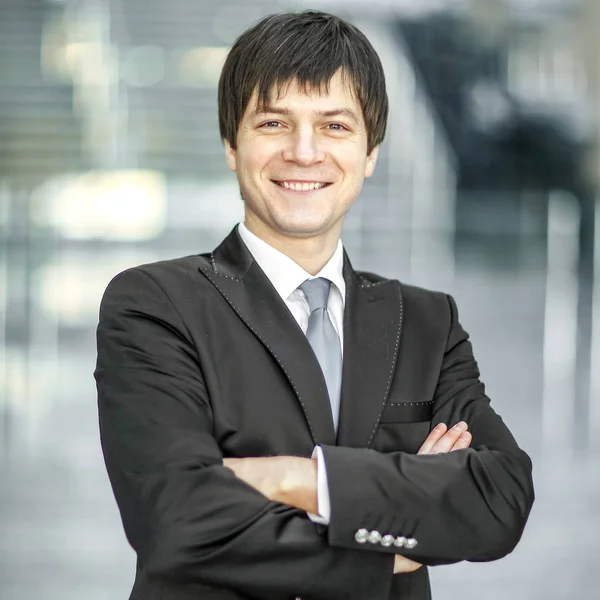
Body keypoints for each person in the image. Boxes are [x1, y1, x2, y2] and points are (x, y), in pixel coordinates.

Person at [95, 10, 534, 600]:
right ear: (232, 143)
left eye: (335, 126)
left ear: (370, 152)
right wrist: (397, 535)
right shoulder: (155, 305)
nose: (304, 152)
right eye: (275, 122)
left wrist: (297, 478)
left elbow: (498, 499)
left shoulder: (427, 323)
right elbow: (175, 519)